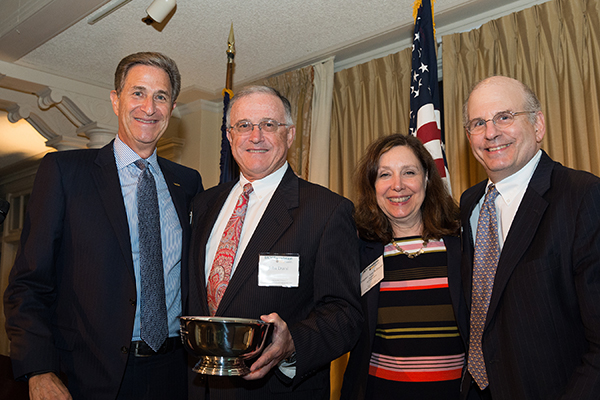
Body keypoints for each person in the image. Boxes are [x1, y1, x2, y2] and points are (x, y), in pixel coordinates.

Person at [3, 52, 203, 400]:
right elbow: (28, 283)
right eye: (137, 93)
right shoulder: (64, 173)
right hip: (89, 375)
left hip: (176, 372)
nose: (149, 107)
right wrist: (38, 369)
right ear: (116, 100)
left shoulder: (187, 183)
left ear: (171, 108)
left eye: (161, 96)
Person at [187, 85, 362, 399]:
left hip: (276, 390)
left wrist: (292, 342)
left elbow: (345, 314)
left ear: (290, 135)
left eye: (269, 124)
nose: (256, 136)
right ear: (229, 136)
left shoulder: (327, 210)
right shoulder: (203, 205)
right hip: (201, 389)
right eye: (244, 126)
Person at [457, 75, 600, 399]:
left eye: (504, 117)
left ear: (538, 125)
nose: (490, 132)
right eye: (478, 123)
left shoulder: (583, 197)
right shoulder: (469, 204)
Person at [340, 134, 464, 399]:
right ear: (372, 185)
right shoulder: (357, 249)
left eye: (409, 172)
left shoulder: (462, 244)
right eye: (385, 175)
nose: (397, 186)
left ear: (427, 179)